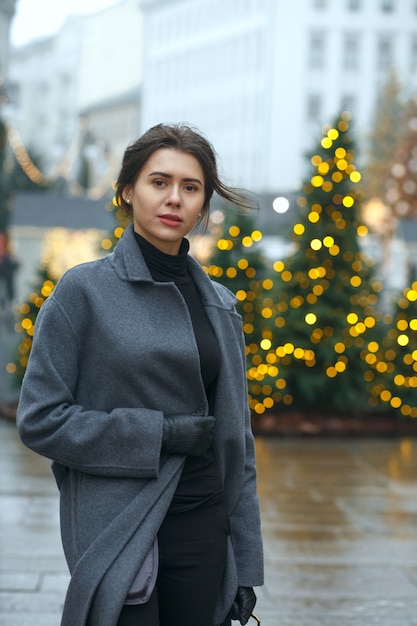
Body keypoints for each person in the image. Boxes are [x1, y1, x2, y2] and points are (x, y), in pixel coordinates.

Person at [16, 123, 264, 626]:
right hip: (119, 521)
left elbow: (239, 442)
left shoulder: (222, 305)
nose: (174, 198)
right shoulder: (82, 292)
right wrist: (158, 433)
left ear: (203, 205)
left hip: (203, 522)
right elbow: (40, 419)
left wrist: (246, 563)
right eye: (159, 182)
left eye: (190, 188)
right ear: (128, 191)